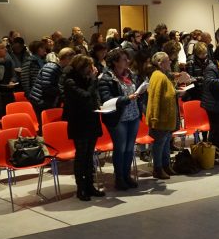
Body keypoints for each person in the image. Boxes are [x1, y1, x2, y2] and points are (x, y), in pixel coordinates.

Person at [61, 55, 104, 201]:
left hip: (91, 120)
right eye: (89, 66)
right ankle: (81, 188)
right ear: (81, 67)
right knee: (81, 156)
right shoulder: (70, 81)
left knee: (90, 155)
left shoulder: (87, 79)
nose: (91, 69)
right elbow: (85, 96)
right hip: (79, 122)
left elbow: (93, 96)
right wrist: (93, 80)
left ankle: (90, 185)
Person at [97, 49, 141, 191]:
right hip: (118, 118)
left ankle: (127, 175)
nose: (127, 61)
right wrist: (126, 99)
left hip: (133, 115)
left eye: (127, 59)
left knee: (129, 148)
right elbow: (107, 99)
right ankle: (119, 178)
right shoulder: (106, 78)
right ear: (115, 62)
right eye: (124, 59)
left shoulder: (130, 74)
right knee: (120, 148)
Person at [146, 52, 178, 179]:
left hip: (166, 118)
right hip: (160, 118)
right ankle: (158, 169)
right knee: (159, 145)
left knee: (165, 143)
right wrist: (155, 118)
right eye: (167, 60)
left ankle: (166, 165)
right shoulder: (158, 76)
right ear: (160, 63)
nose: (170, 62)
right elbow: (155, 98)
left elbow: (167, 93)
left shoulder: (162, 75)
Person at [29, 47, 75, 122]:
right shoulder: (51, 67)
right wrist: (63, 91)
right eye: (72, 60)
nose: (72, 63)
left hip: (46, 99)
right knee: (45, 123)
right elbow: (46, 87)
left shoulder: (59, 68)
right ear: (66, 58)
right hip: (41, 100)